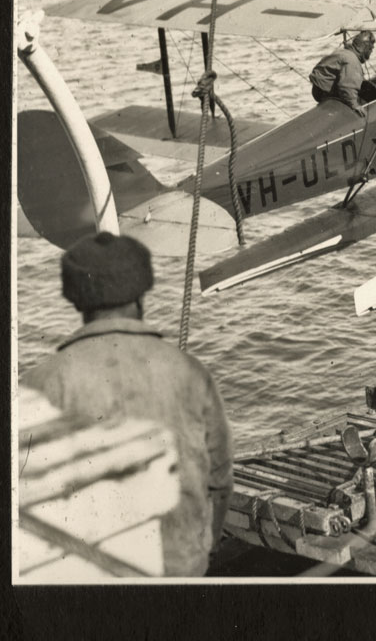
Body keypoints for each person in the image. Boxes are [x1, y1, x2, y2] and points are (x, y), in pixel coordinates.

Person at [22, 232, 233, 577]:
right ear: (141, 294)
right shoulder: (190, 373)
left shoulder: (40, 383)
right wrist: (205, 545)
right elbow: (220, 480)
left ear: (76, 300)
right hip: (180, 566)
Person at [309, 30, 376, 114]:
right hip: (324, 93)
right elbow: (347, 86)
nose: (371, 51)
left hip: (318, 87)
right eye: (370, 49)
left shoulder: (344, 52)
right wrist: (354, 104)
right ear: (365, 48)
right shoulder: (352, 60)